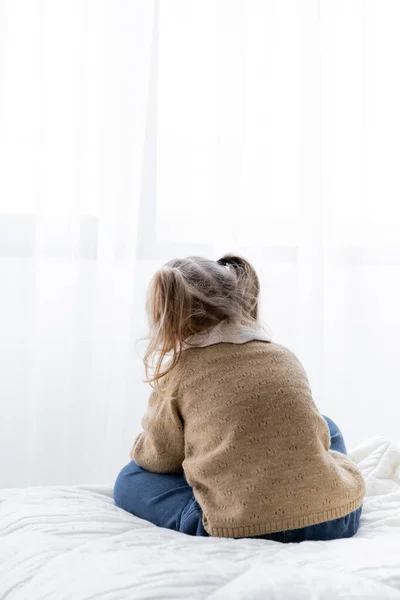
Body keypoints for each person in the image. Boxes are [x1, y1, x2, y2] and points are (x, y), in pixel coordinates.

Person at [114, 255, 364, 542]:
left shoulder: (180, 371)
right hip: (337, 518)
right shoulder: (282, 355)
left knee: (129, 479)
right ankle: (321, 483)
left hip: (244, 525)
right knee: (327, 426)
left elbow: (159, 459)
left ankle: (216, 507)